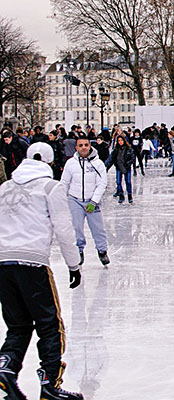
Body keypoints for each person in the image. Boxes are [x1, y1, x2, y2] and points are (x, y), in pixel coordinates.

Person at [0, 142, 84, 400]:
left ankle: (6, 368)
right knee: (49, 324)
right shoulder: (51, 187)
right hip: (33, 262)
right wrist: (74, 265)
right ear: (49, 162)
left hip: (2, 262)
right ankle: (50, 383)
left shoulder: (4, 188)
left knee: (18, 325)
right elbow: (64, 229)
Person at [61, 137, 110, 267]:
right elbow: (64, 183)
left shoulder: (98, 164)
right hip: (75, 200)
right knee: (76, 227)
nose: (83, 147)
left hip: (92, 200)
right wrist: (60, 199)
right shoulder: (71, 163)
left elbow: (102, 183)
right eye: (81, 145)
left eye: (86, 145)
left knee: (98, 228)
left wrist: (94, 201)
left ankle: (102, 250)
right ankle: (79, 250)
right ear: (76, 148)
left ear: (90, 146)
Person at [105, 134, 134, 204]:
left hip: (126, 167)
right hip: (118, 167)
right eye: (119, 141)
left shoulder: (128, 148)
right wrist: (106, 167)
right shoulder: (116, 149)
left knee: (128, 182)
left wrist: (128, 164)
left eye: (121, 140)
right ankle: (121, 195)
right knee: (118, 182)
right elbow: (111, 159)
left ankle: (130, 196)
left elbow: (132, 158)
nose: (120, 142)